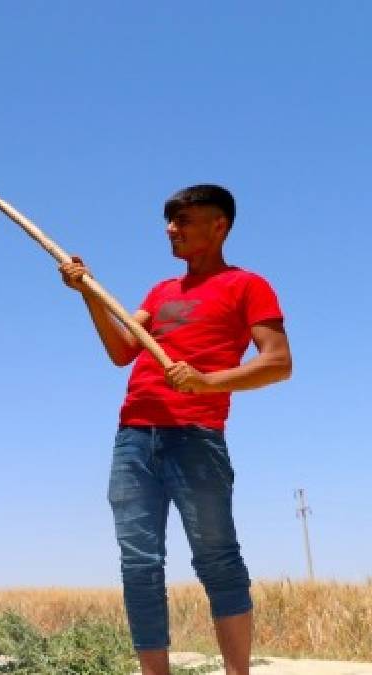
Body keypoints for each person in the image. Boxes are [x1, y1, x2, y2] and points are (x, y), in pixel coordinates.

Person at [59, 185, 292, 675]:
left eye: (184, 221)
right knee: (139, 567)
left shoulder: (248, 285)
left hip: (196, 437)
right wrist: (89, 295)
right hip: (134, 438)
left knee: (217, 560)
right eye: (169, 221)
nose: (172, 230)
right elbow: (123, 351)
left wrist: (207, 382)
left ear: (219, 226)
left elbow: (278, 363)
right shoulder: (161, 292)